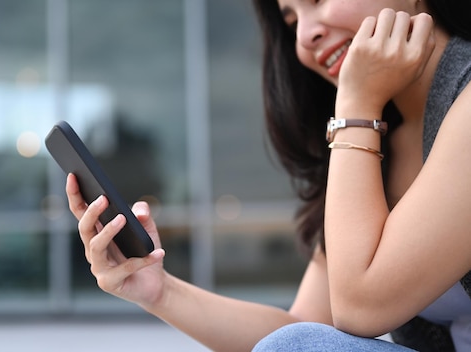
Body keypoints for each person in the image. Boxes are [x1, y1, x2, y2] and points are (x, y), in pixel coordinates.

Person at [65, 0, 471, 350]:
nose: (307, 33)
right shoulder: (373, 144)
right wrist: (159, 290)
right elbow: (306, 330)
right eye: (292, 20)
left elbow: (359, 307)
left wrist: (356, 103)